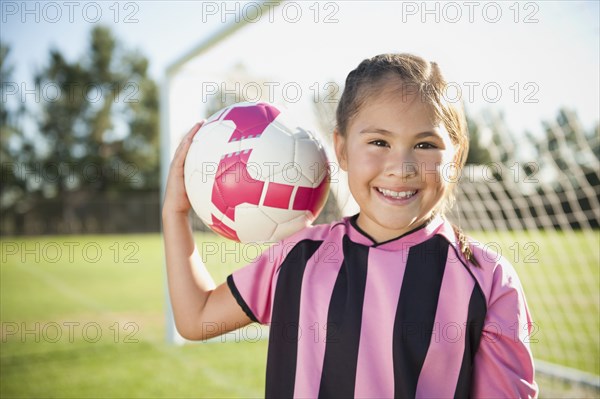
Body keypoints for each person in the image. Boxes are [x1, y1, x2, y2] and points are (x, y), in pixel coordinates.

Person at [162, 53, 539, 398]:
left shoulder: (488, 280)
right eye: (379, 141)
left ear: (456, 155)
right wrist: (175, 215)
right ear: (341, 149)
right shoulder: (298, 257)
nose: (401, 167)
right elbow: (197, 318)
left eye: (425, 145)